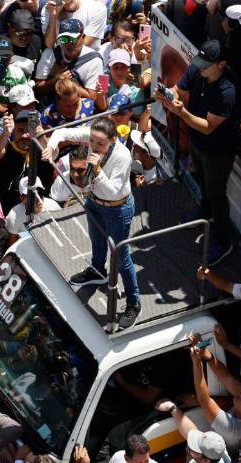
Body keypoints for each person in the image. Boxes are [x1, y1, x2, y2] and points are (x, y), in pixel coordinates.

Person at [43, 117, 140, 329]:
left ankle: (134, 303)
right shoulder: (92, 136)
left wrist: (97, 171)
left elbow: (113, 191)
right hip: (95, 202)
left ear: (113, 140)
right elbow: (63, 133)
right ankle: (97, 271)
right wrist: (51, 147)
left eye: (100, 144)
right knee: (96, 238)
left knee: (121, 258)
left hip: (117, 208)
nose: (94, 147)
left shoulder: (123, 156)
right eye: (92, 142)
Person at [156, 39, 240, 264]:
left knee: (216, 192)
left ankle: (223, 238)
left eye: (207, 64)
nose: (200, 67)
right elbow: (178, 90)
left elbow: (208, 126)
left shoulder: (227, 91)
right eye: (200, 61)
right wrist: (168, 95)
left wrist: (180, 112)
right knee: (202, 181)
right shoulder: (196, 69)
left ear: (221, 64)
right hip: (197, 142)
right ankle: (204, 211)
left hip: (218, 150)